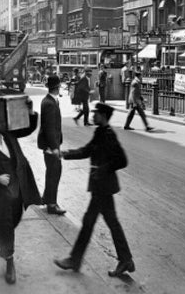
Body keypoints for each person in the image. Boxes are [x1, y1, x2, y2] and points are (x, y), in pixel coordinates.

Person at [54, 102, 135, 278]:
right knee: (103, 223)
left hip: (104, 187)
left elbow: (122, 160)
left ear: (103, 116)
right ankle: (125, 259)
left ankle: (75, 259)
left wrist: (103, 168)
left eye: (96, 113)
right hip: (100, 187)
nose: (93, 115)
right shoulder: (99, 132)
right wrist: (65, 154)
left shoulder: (109, 135)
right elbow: (87, 151)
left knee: (92, 222)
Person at [0, 111, 42, 285]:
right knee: (6, 225)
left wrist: (31, 114)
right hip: (0, 193)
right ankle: (10, 263)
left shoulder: (9, 136)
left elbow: (27, 129)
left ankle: (1, 240)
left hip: (18, 187)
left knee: (14, 218)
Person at [37, 74, 66, 215]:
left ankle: (46, 198)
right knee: (54, 174)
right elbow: (49, 128)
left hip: (51, 144)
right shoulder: (50, 103)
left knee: (53, 173)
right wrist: (54, 148)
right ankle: (52, 205)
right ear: (58, 87)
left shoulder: (49, 100)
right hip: (51, 146)